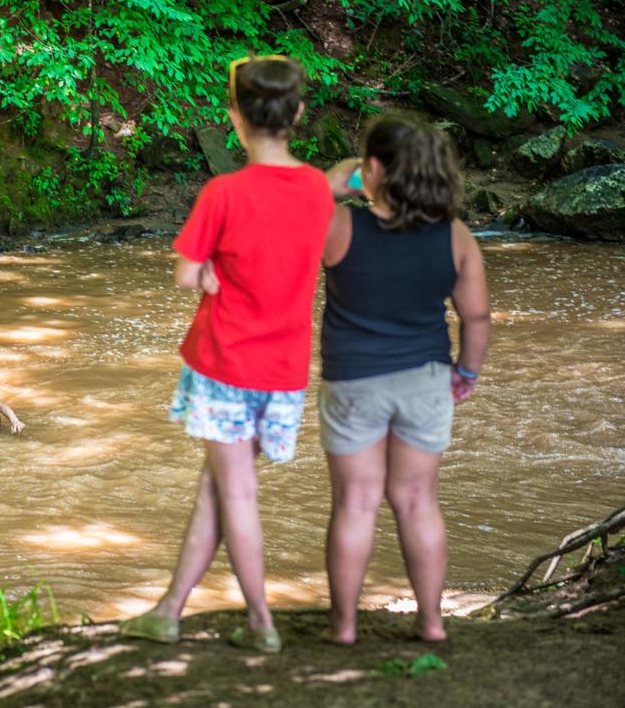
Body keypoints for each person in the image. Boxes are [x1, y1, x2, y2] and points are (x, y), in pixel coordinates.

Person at [119, 55, 335, 653]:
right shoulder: (317, 189)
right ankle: (169, 610)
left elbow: (186, 274)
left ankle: (261, 621)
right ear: (297, 112)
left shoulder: (225, 191)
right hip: (286, 370)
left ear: (234, 117)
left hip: (227, 365)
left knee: (234, 492)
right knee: (216, 489)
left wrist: (210, 265)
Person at [318, 115, 489, 644]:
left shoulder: (341, 227)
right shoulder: (455, 236)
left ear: (373, 170)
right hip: (427, 377)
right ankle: (432, 623)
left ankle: (344, 628)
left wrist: (355, 176)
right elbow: (477, 319)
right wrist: (466, 371)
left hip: (353, 380)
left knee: (356, 502)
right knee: (417, 500)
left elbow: (320, 190)